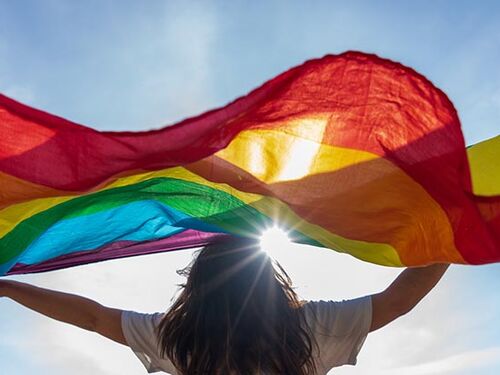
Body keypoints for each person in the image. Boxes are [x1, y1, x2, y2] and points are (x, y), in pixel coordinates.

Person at [0, 237, 449, 374]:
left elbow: (94, 317)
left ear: (197, 286)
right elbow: (399, 299)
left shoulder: (178, 337)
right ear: (270, 280)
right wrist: (453, 240)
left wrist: (9, 289)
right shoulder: (310, 327)